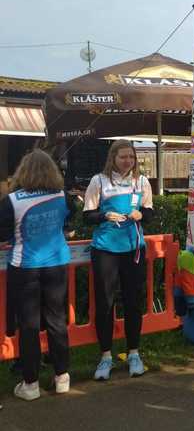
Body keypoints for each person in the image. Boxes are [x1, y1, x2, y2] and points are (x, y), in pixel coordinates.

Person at [0, 150, 75, 401]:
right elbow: (69, 222)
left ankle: (30, 384)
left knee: (29, 325)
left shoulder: (12, 201)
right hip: (57, 264)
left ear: (23, 172)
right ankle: (62, 377)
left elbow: (2, 234)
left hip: (25, 266)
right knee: (57, 320)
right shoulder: (62, 196)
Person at [83, 139, 154, 380]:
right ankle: (105, 357)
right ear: (113, 158)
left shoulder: (141, 182)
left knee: (133, 302)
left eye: (131, 157)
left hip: (133, 249)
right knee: (105, 303)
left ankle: (134, 353)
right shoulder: (99, 181)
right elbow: (87, 215)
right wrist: (104, 215)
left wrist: (140, 214)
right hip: (105, 249)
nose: (128, 161)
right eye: (123, 157)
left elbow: (149, 212)